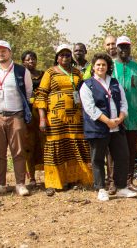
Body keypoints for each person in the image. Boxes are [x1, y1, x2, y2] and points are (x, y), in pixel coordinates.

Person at [34, 44, 94, 196]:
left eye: (68, 55)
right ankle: (54, 182)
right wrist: (42, 118)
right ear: (57, 57)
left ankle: (78, 179)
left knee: (76, 146)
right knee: (56, 147)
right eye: (62, 55)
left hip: (75, 117)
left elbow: (83, 92)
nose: (65, 58)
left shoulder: (76, 72)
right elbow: (41, 95)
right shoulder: (50, 73)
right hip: (55, 117)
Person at [81, 53, 137, 201]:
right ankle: (101, 188)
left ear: (108, 67)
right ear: (93, 67)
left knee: (122, 156)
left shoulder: (114, 82)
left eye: (104, 65)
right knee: (98, 158)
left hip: (117, 126)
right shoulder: (87, 85)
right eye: (98, 65)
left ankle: (121, 187)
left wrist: (120, 117)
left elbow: (123, 102)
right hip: (98, 127)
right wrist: (107, 121)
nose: (101, 67)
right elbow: (90, 108)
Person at [0, 41, 33, 196]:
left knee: (18, 151)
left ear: (10, 52)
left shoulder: (21, 71)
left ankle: (20, 183)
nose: (1, 54)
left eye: (3, 51)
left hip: (16, 116)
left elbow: (28, 91)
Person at [112, 36, 137, 189]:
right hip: (114, 115)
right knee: (113, 150)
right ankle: (113, 182)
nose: (124, 49)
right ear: (116, 48)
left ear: (130, 48)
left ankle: (128, 181)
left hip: (133, 115)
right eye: (121, 47)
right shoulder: (110, 66)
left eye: (127, 47)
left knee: (131, 150)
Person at [20, 51, 46, 188]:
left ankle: (49, 175)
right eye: (28, 59)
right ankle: (31, 178)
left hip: (42, 113)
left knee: (44, 144)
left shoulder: (43, 75)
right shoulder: (19, 75)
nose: (31, 61)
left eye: (33, 59)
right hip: (27, 114)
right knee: (28, 146)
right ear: (23, 61)